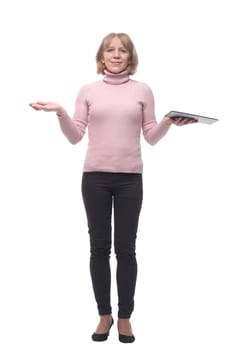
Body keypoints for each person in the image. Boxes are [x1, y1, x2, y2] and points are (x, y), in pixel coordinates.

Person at [29, 32, 195, 343]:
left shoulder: (142, 90)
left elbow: (151, 136)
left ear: (130, 57)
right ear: (102, 56)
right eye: (110, 50)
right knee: (98, 248)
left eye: (122, 51)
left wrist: (169, 124)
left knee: (126, 250)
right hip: (95, 179)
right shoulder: (88, 91)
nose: (116, 55)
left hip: (130, 179)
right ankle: (103, 314)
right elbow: (75, 135)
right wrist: (61, 112)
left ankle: (125, 317)